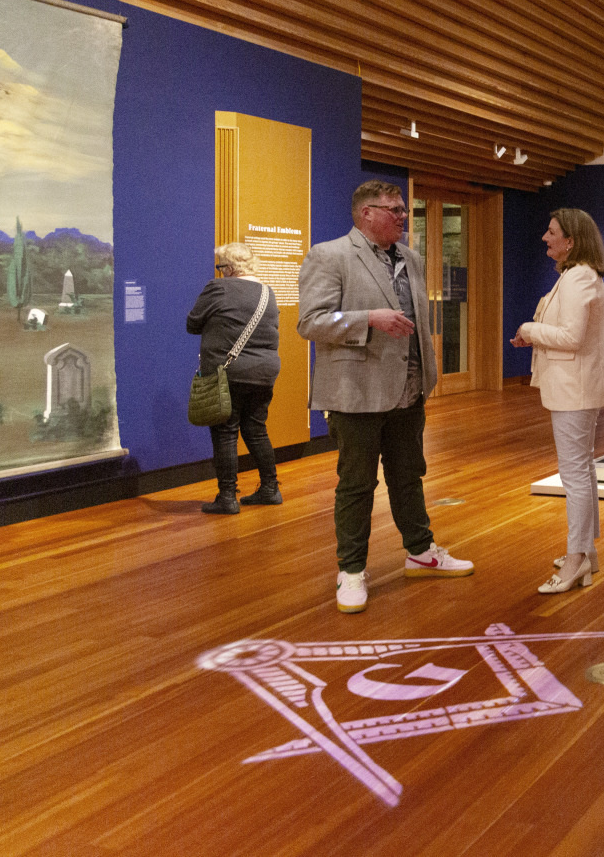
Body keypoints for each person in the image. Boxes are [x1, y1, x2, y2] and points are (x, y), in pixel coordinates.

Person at [298, 180, 473, 614]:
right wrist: (368, 319)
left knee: (408, 476)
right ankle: (351, 570)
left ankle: (421, 551)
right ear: (366, 214)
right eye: (394, 210)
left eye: (403, 210)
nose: (403, 217)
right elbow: (311, 322)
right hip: (355, 393)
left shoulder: (411, 258)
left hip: (408, 392)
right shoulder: (330, 255)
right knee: (357, 484)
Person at [511, 208, 604, 594]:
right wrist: (534, 334)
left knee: (574, 474)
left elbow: (571, 337)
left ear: (571, 240)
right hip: (575, 387)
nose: (545, 237)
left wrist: (529, 329)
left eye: (551, 232)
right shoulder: (577, 275)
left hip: (575, 389)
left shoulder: (578, 277)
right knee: (582, 469)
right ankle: (586, 552)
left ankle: (577, 558)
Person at [186, 242, 281, 514]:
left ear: (229, 267)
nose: (220, 271)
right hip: (264, 371)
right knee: (256, 429)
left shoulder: (218, 288)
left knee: (225, 432)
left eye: (221, 267)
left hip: (229, 372)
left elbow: (192, 323)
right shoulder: (267, 292)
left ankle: (227, 497)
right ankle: (270, 488)